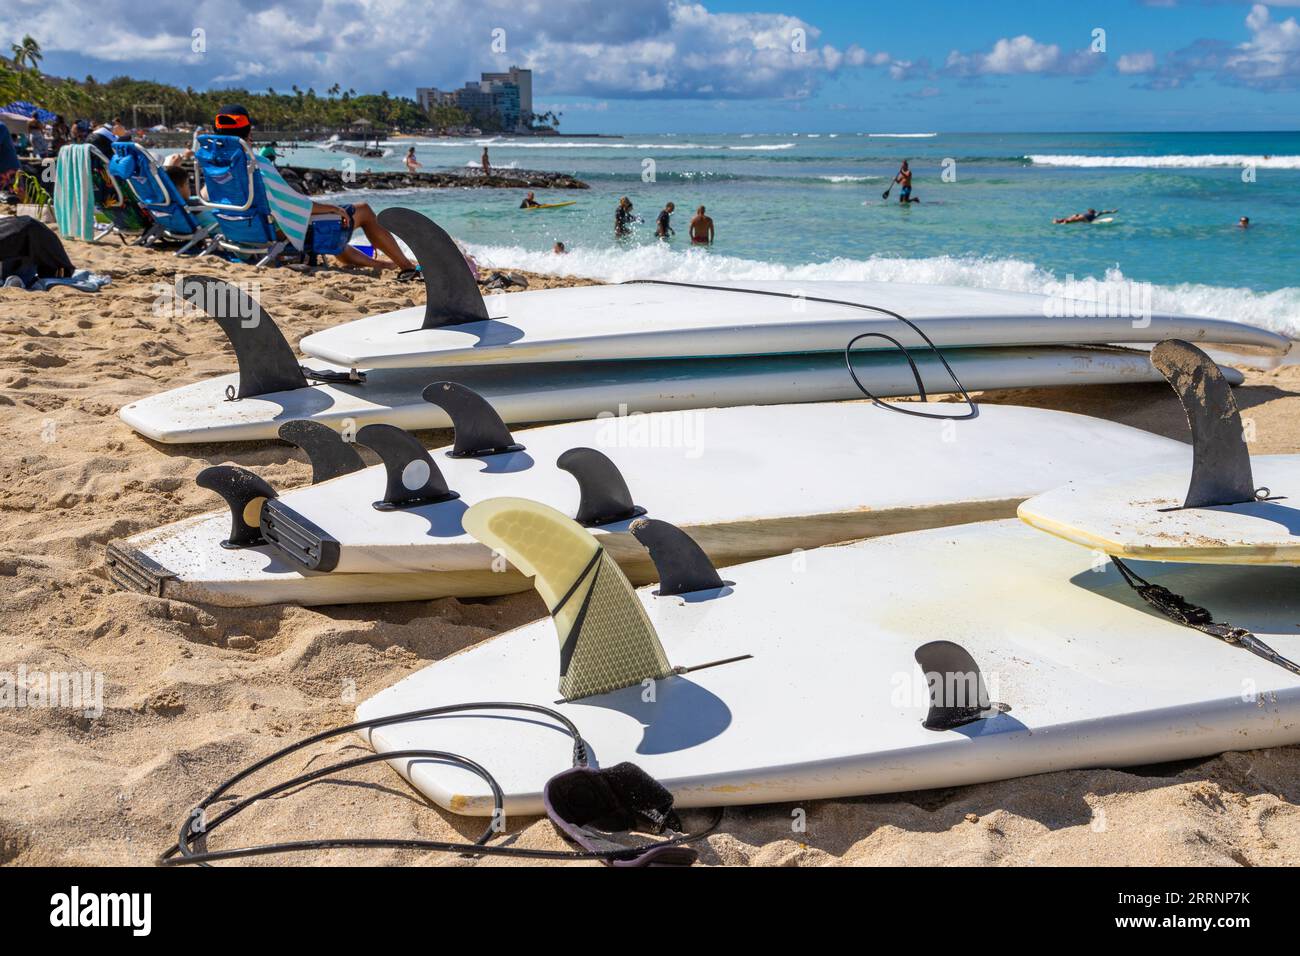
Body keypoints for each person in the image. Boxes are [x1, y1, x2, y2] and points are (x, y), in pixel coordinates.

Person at [212, 105, 418, 275]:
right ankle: (407, 267)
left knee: (331, 226)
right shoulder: (256, 163)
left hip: (238, 229)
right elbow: (294, 204)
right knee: (362, 211)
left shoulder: (216, 165)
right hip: (275, 233)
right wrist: (332, 209)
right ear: (249, 132)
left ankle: (381, 265)